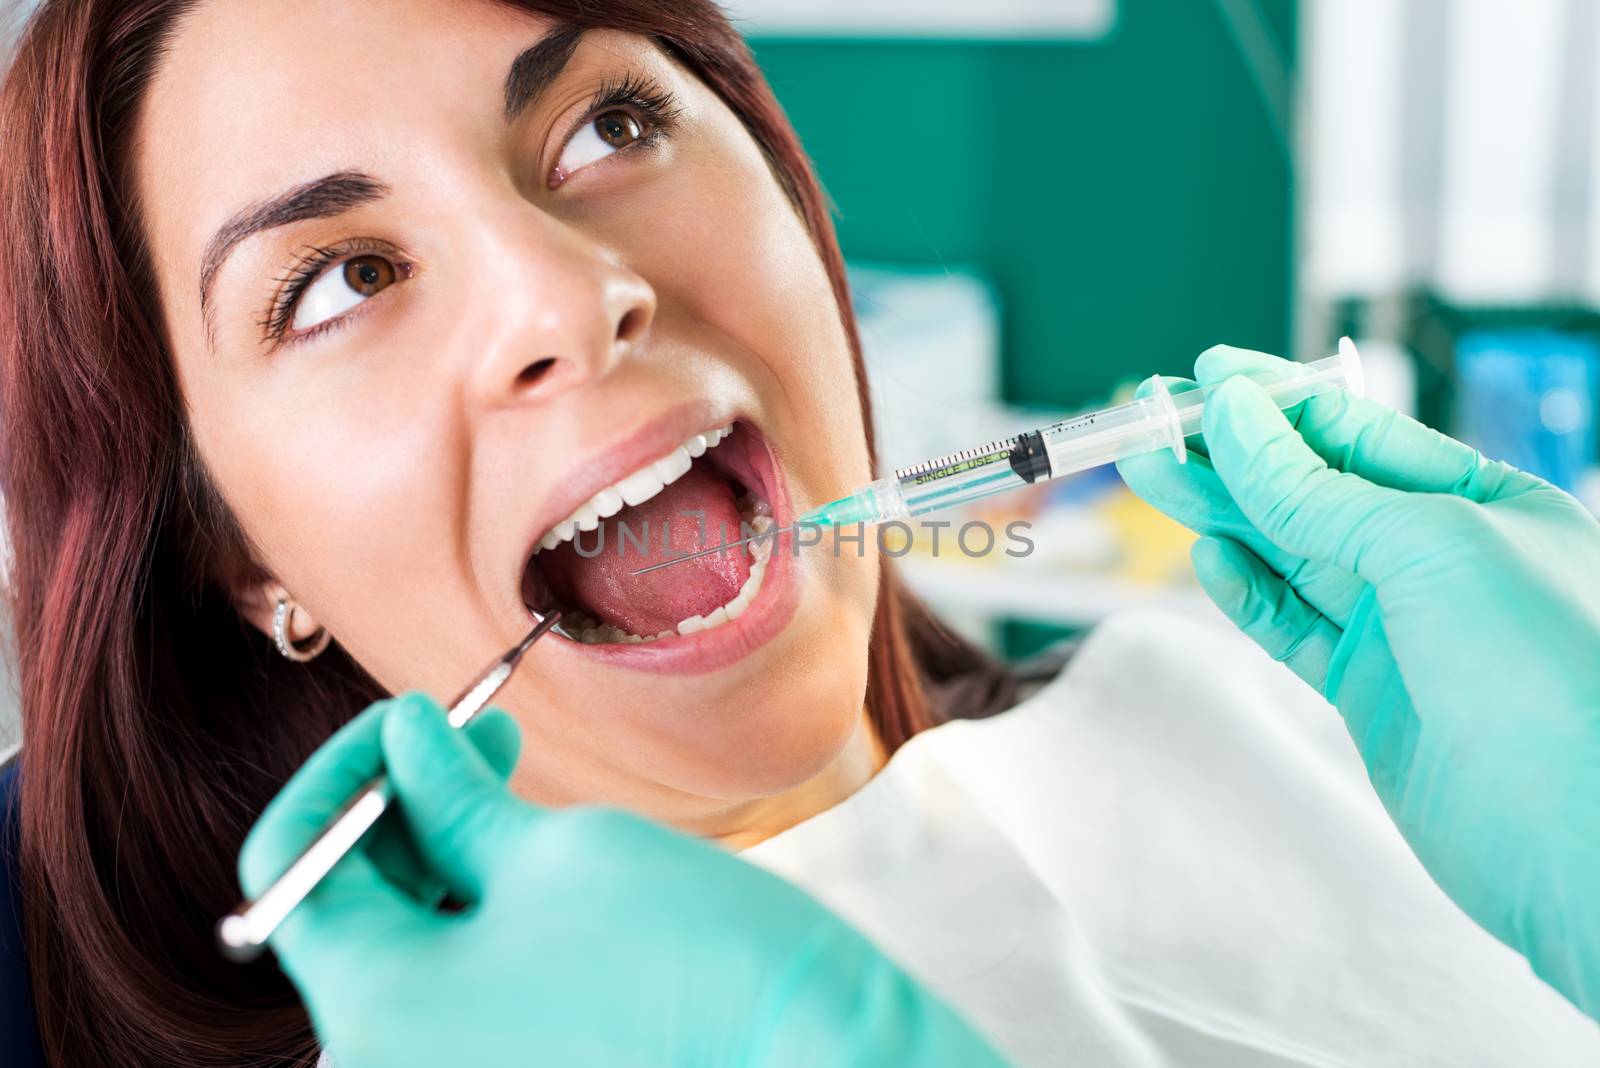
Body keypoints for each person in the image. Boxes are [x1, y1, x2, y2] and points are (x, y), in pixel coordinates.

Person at [0, 1, 1593, 1065]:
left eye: (605, 126)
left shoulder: (1315, 722)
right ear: (242, 559)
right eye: (341, 280)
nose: (568, 294)